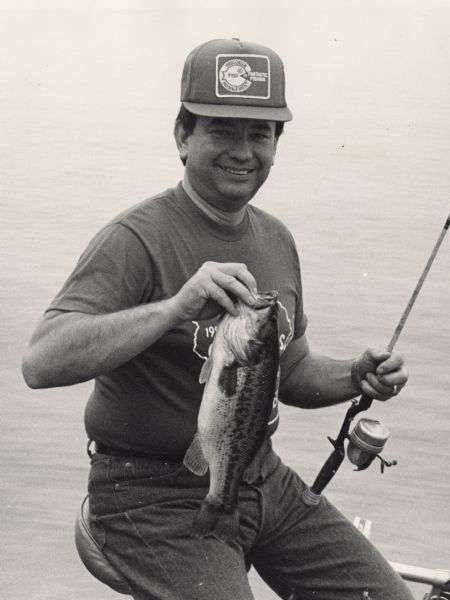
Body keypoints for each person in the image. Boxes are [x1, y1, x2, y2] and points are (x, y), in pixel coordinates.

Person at [22, 38, 413, 600]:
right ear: (183, 138)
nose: (243, 150)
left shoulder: (277, 238)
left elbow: (293, 370)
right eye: (222, 130)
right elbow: (40, 362)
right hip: (146, 495)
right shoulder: (134, 239)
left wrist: (355, 375)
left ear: (277, 145)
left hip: (262, 477)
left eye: (260, 134)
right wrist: (174, 307)